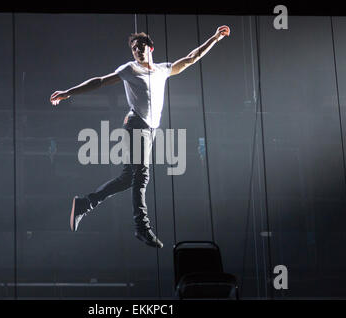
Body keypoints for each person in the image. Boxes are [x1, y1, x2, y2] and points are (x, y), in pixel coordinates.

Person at [50, 25, 230, 248]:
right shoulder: (130, 69)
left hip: (151, 128)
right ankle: (142, 227)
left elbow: (191, 58)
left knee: (128, 178)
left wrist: (215, 38)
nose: (138, 50)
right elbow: (99, 81)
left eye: (141, 46)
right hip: (137, 124)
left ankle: (85, 204)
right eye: (135, 48)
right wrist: (69, 93)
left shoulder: (164, 69)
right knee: (142, 175)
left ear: (150, 48)